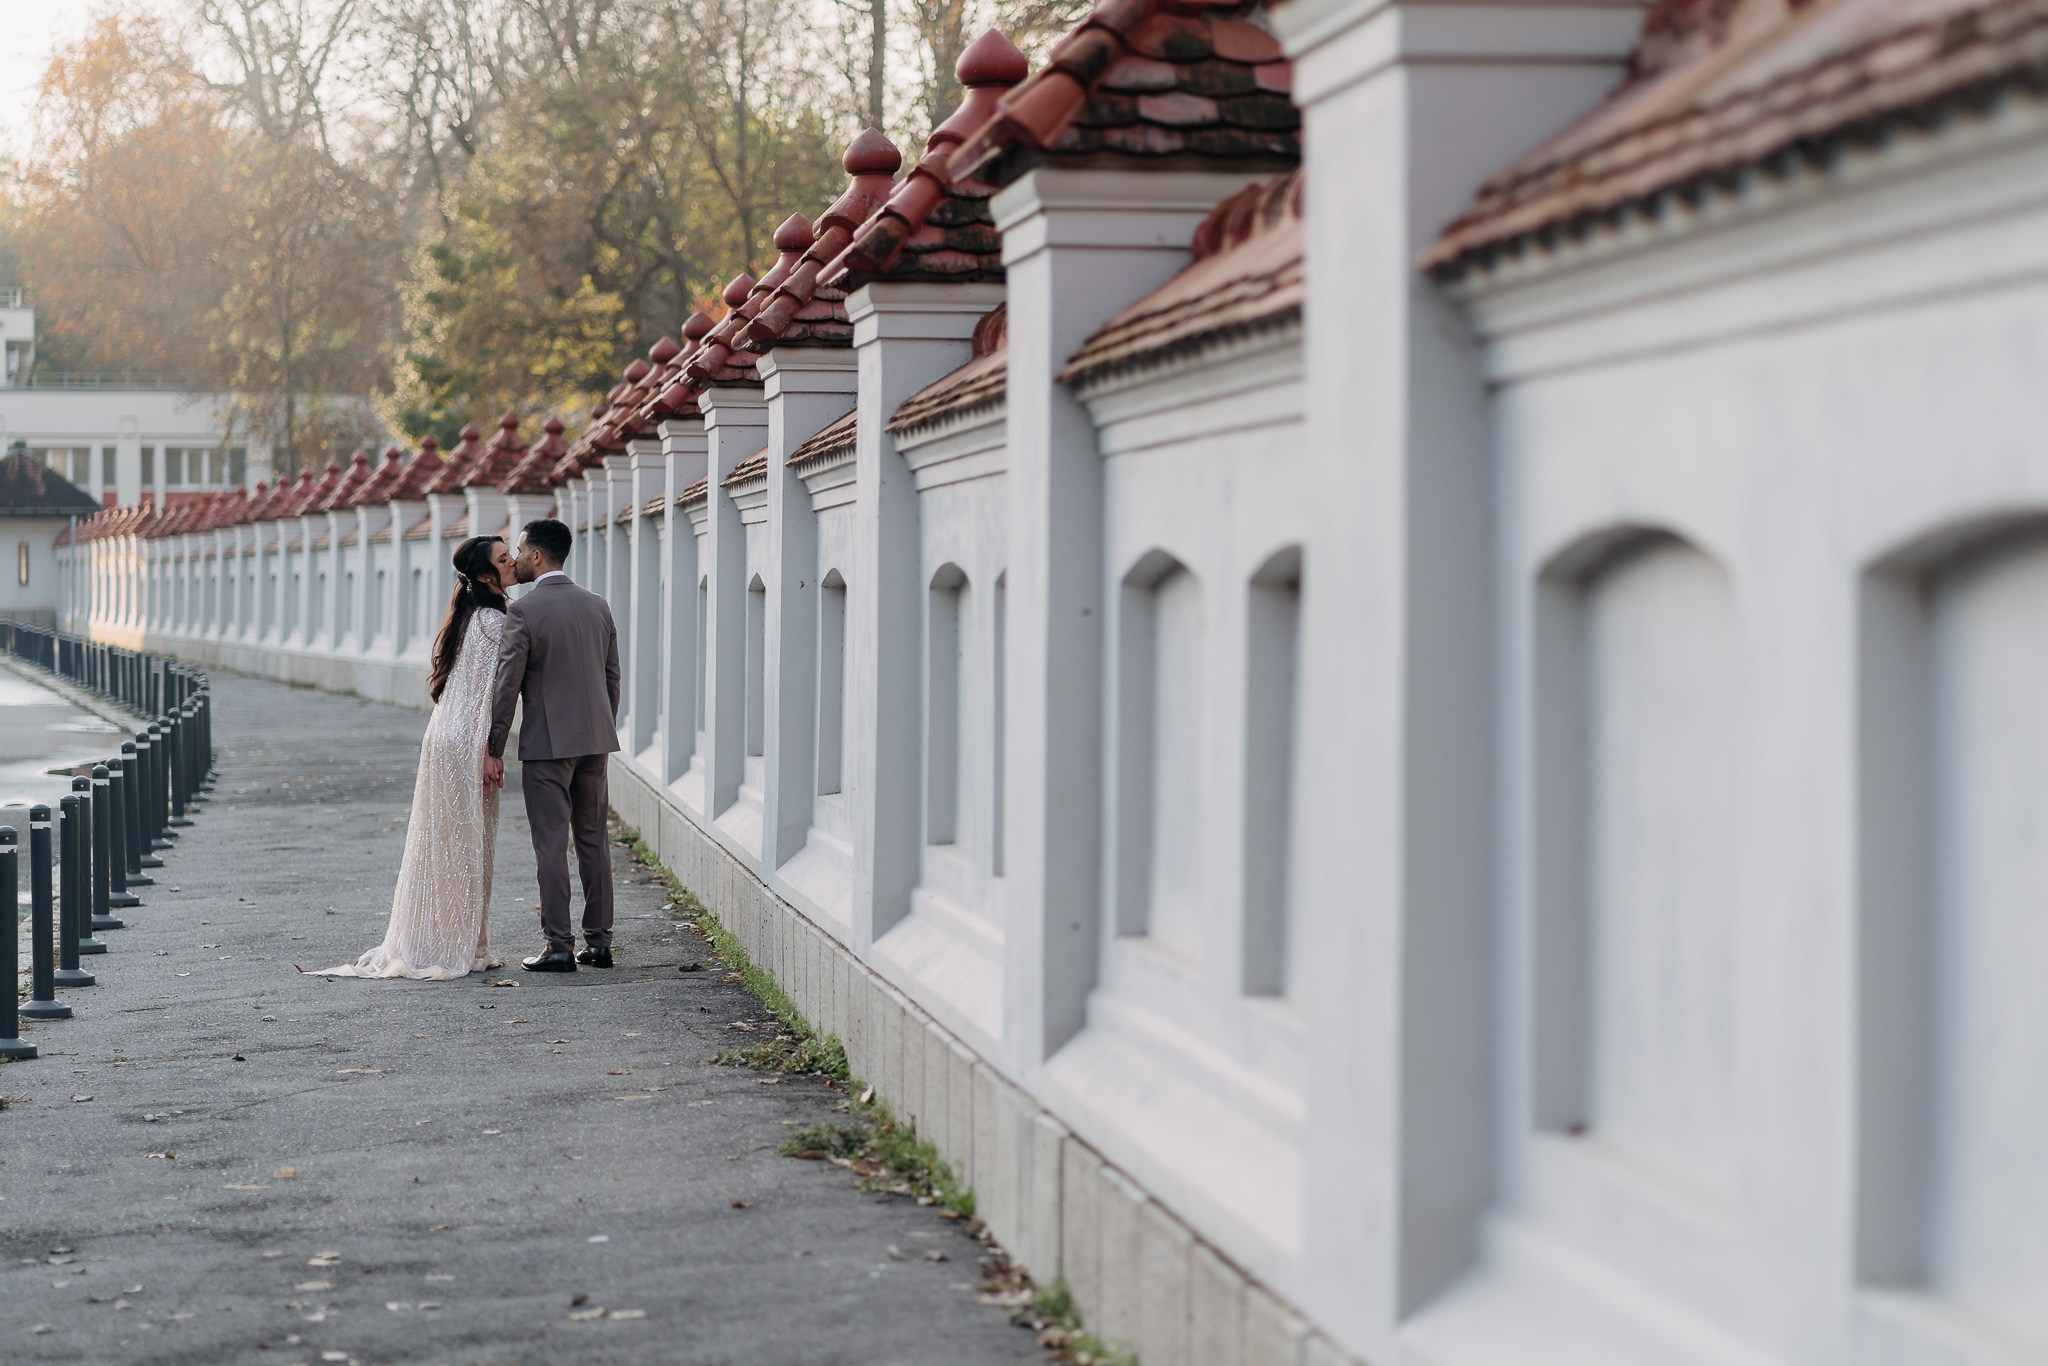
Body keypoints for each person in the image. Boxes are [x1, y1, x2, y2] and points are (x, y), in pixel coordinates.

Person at [314, 536, 513, 980]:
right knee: (465, 847)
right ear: (485, 576)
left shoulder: (469, 616)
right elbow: (487, 694)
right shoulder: (495, 621)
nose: (513, 562)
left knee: (442, 843)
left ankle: (440, 938)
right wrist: (489, 751)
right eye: (504, 559)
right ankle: (452, 945)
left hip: (443, 738)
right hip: (465, 743)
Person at [484, 518, 620, 972]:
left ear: (537, 556)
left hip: (546, 743)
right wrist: (600, 725)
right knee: (593, 839)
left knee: (550, 843)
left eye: (520, 550)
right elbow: (610, 678)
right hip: (595, 740)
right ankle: (599, 943)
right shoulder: (598, 605)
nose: (517, 558)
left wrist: (494, 745)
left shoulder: (524, 610)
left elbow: (508, 686)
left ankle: (559, 945)